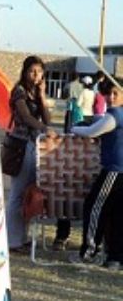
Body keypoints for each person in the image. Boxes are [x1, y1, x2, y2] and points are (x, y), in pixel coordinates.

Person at [5, 55, 57, 253]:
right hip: (22, 145)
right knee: (17, 193)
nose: (36, 76)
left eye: (39, 72)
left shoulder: (36, 92)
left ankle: (21, 236)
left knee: (29, 194)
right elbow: (26, 117)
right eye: (32, 71)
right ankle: (12, 240)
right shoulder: (19, 92)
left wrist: (43, 95)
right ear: (25, 72)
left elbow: (47, 117)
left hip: (35, 145)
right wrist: (44, 129)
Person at [70, 77, 123, 269]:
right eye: (108, 93)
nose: (110, 97)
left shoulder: (115, 114)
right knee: (118, 215)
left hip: (114, 171)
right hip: (119, 171)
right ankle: (115, 258)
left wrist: (74, 128)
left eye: (116, 93)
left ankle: (88, 252)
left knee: (94, 208)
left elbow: (93, 131)